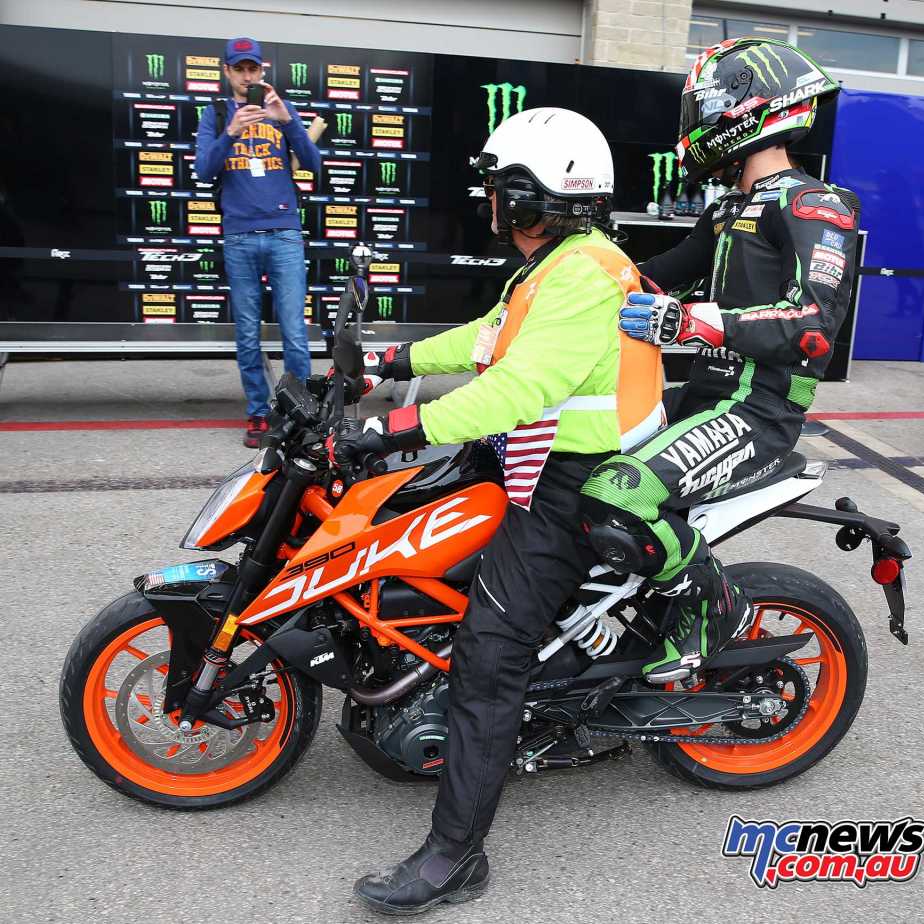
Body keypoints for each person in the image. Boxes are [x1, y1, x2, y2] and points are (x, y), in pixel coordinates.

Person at [334, 107, 664, 915]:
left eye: (496, 187)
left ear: (527, 196)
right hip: (538, 456)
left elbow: (522, 388)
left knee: (490, 654)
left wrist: (394, 426)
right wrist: (389, 360)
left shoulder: (585, 272)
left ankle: (455, 858)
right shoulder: (555, 265)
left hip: (573, 483)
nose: (487, 199)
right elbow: (493, 338)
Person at [583, 37, 861, 683]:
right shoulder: (730, 205)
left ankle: (713, 613)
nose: (693, 124)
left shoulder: (814, 204)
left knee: (619, 493)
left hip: (757, 412)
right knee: (567, 470)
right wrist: (576, 281)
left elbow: (815, 327)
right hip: (703, 400)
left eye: (701, 108)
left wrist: (695, 323)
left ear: (743, 109)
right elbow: (656, 278)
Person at [194, 37, 321, 448]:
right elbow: (203, 171)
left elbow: (313, 164)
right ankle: (258, 414)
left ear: (262, 71)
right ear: (227, 72)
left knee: (294, 332)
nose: (248, 76)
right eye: (240, 68)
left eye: (253, 69)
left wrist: (287, 121)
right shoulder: (214, 114)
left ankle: (300, 413)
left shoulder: (280, 111)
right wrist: (231, 131)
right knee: (247, 333)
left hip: (284, 234)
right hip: (239, 236)